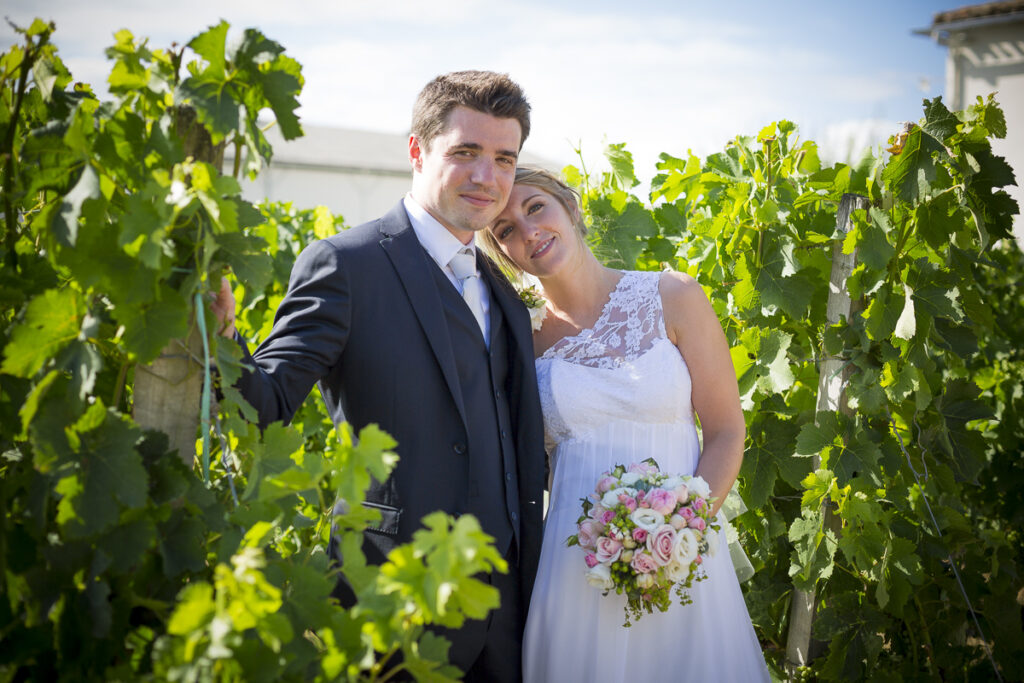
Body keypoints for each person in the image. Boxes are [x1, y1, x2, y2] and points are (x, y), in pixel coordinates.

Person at [212, 71, 546, 683]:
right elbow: (266, 400)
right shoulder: (346, 264)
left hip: (506, 610)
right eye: (465, 153)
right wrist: (222, 339)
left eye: (504, 159)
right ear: (417, 151)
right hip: (391, 598)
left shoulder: (502, 290)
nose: (487, 177)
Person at [480, 166, 770, 682]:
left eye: (535, 207)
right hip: (577, 569)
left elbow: (726, 430)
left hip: (681, 558)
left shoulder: (674, 296)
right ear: (503, 254)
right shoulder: (518, 345)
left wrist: (683, 526)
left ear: (569, 207)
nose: (527, 231)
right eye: (504, 231)